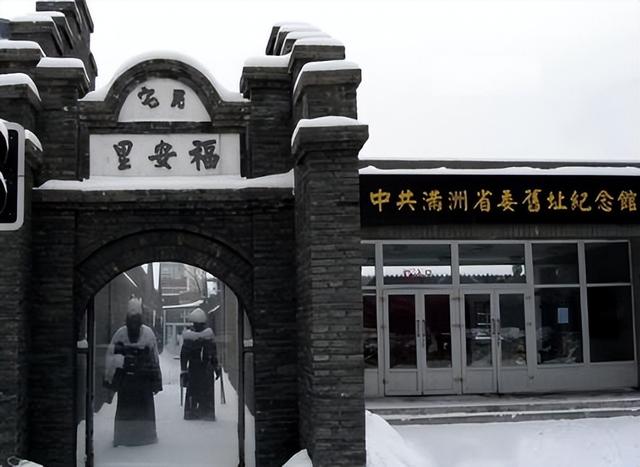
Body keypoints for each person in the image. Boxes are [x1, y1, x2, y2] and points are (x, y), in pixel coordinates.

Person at [104, 297, 162, 446]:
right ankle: (135, 436)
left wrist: (156, 380)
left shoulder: (146, 335)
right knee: (132, 410)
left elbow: (154, 359)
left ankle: (137, 436)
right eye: (132, 317)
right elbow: (111, 358)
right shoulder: (121, 335)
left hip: (138, 384)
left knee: (134, 410)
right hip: (132, 384)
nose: (134, 322)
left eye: (136, 317)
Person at [180, 307, 220, 420]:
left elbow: (213, 354)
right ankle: (202, 411)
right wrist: (183, 371)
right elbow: (184, 356)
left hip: (198, 370)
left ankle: (196, 411)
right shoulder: (203, 337)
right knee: (198, 391)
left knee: (196, 391)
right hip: (200, 370)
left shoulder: (200, 337)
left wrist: (184, 370)